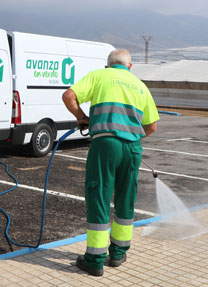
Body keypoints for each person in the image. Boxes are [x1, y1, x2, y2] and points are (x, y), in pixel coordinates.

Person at [62, 49, 159, 276]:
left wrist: (81, 117)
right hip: (132, 148)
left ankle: (94, 261)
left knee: (99, 197)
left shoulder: (99, 76)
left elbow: (68, 96)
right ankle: (118, 254)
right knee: (126, 200)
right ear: (130, 66)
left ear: (108, 66)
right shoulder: (140, 85)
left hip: (105, 144)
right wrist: (130, 136)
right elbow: (152, 126)